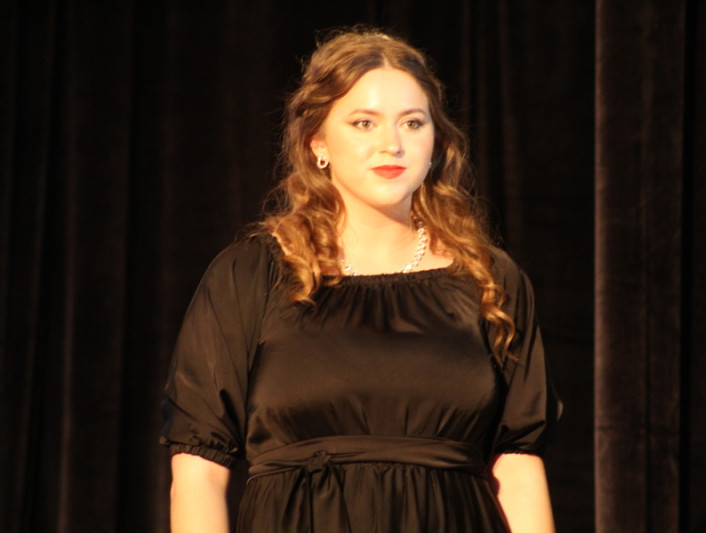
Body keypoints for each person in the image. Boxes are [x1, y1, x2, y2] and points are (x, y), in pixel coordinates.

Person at [161, 27, 561, 533]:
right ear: (318, 143)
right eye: (364, 123)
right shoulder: (249, 276)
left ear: (436, 144)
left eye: (412, 123)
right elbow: (199, 470)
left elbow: (518, 464)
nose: (391, 144)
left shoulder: (489, 280)